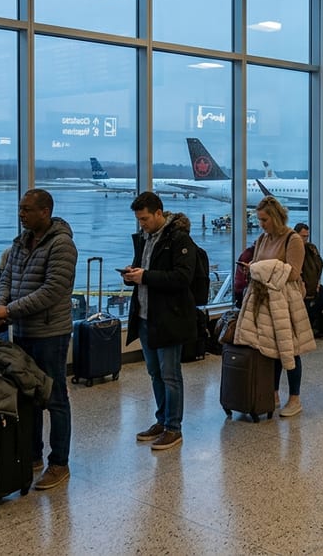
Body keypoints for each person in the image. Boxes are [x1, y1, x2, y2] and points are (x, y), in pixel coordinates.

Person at [0, 189, 77, 489]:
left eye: (26, 210)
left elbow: (52, 291)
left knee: (55, 398)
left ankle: (59, 463)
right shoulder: (20, 243)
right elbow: (7, 280)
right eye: (20, 209)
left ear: (45, 211)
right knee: (29, 396)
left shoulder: (62, 245)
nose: (21, 214)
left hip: (50, 334)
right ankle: (32, 454)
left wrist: (8, 310)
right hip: (23, 332)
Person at [124, 192, 197, 451]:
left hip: (169, 317)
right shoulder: (144, 239)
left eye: (144, 219)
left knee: (170, 375)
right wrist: (132, 275)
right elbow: (144, 271)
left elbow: (182, 278)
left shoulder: (179, 239)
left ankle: (173, 427)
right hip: (145, 316)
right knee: (154, 373)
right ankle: (162, 419)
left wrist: (145, 277)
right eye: (138, 220)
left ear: (159, 213)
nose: (141, 224)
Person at [238, 195, 315, 416]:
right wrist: (252, 268)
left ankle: (295, 397)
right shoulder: (263, 239)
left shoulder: (293, 239)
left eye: (264, 220)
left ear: (275, 218)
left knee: (289, 349)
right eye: (259, 220)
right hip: (264, 299)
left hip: (285, 301)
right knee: (270, 349)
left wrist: (262, 268)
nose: (261, 224)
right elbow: (261, 265)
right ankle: (271, 392)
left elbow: (293, 272)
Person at [295, 222, 323, 330]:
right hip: (301, 284)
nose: (305, 239)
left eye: (307, 236)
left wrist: (318, 281)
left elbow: (319, 263)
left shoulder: (311, 248)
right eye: (303, 236)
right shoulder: (293, 249)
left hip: (313, 282)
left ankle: (311, 322)